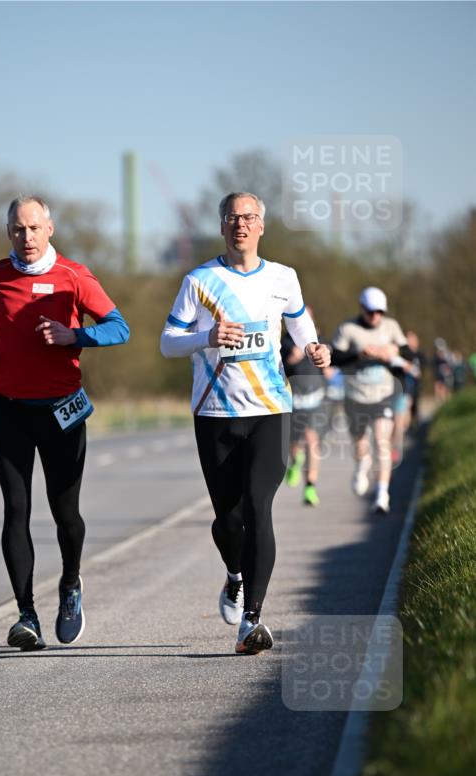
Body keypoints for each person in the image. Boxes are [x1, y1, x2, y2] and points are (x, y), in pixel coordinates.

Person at [160, 192, 330, 655]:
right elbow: (167, 342)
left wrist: (317, 349)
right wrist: (206, 336)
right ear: (221, 226)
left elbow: (301, 329)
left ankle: (251, 621)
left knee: (258, 508)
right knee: (228, 521)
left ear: (262, 226)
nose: (241, 224)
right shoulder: (199, 281)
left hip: (271, 410)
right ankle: (234, 576)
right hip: (215, 414)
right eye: (233, 217)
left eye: (249, 217)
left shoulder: (283, 278)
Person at [0, 195, 129, 650]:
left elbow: (119, 327)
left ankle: (71, 584)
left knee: (66, 513)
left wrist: (73, 336)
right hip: (7, 408)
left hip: (61, 410)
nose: (27, 237)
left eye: (34, 228)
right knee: (15, 510)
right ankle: (26, 615)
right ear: (9, 233)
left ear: (50, 229)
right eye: (18, 230)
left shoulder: (74, 276)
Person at [331, 287, 413, 514]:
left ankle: (382, 493)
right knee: (360, 444)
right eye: (370, 312)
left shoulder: (391, 327)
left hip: (383, 395)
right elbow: (334, 358)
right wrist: (359, 355)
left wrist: (393, 350)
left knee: (381, 440)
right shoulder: (348, 329)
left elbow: (409, 354)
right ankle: (361, 464)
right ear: (362, 309)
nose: (375, 316)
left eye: (379, 312)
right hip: (355, 396)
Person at [281, 307, 328, 507]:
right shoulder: (285, 341)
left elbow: (328, 364)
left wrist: (328, 367)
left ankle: (310, 486)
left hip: (315, 398)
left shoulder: (320, 340)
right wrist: (291, 360)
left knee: (312, 440)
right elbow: (278, 366)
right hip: (293, 399)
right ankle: (295, 461)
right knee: (295, 443)